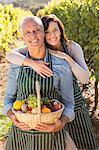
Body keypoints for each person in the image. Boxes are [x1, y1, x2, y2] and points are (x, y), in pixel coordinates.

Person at [6, 14, 98, 149]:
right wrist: (32, 63)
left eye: (55, 30)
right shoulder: (28, 51)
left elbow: (84, 79)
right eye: (47, 32)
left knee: (82, 142)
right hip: (48, 112)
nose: (52, 36)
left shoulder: (71, 49)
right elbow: (10, 55)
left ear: (61, 30)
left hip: (71, 107)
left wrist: (68, 59)